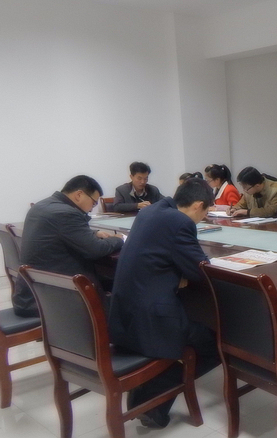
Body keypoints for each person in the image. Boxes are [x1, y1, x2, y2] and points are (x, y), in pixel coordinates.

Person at [108, 178, 220, 429]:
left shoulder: (151, 211)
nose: (203, 218)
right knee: (216, 344)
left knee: (197, 325)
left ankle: (146, 392)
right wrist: (186, 269)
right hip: (152, 319)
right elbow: (200, 269)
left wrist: (179, 270)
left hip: (125, 313)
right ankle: (151, 399)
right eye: (205, 212)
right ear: (198, 205)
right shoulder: (180, 222)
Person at [14, 175, 124, 317]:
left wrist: (94, 233)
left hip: (32, 293)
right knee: (120, 285)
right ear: (79, 195)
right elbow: (96, 250)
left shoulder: (43, 205)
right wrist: (118, 239)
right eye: (93, 203)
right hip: (51, 298)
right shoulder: (67, 213)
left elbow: (61, 231)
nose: (92, 209)